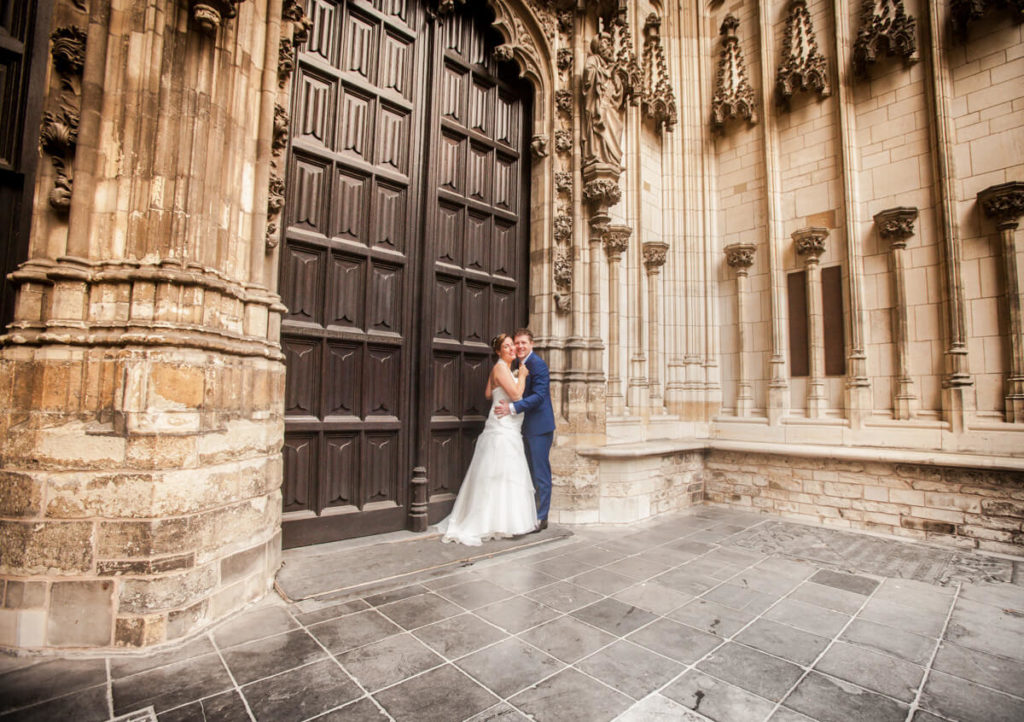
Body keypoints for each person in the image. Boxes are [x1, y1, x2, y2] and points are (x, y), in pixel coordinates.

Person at [436, 334, 539, 545]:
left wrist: (500, 391)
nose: (512, 349)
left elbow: (487, 393)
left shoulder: (502, 369)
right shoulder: (502, 368)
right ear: (499, 351)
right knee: (500, 470)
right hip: (503, 427)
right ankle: (494, 521)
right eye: (507, 346)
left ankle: (504, 520)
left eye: (512, 345)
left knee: (504, 472)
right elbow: (518, 396)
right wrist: (523, 376)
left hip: (507, 424)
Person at [495, 328, 556, 530]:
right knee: (528, 472)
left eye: (523, 343)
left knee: (540, 473)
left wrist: (512, 408)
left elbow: (539, 396)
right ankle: (529, 514)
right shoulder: (517, 364)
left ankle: (542, 517)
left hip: (539, 427)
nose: (519, 346)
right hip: (523, 427)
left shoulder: (537, 364)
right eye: (517, 343)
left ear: (532, 344)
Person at [582, 32, 625, 174]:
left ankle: (611, 159)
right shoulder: (593, 60)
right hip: (598, 106)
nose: (610, 48)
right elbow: (589, 75)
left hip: (609, 107)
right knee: (598, 128)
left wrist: (613, 75)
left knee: (616, 126)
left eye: (610, 44)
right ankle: (597, 155)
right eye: (605, 44)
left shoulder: (611, 66)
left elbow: (618, 93)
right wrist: (606, 72)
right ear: (599, 47)